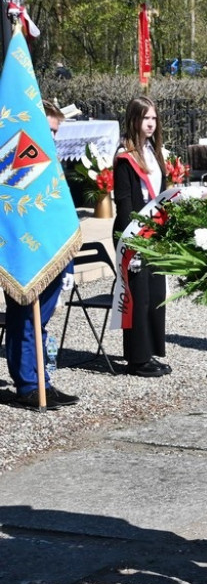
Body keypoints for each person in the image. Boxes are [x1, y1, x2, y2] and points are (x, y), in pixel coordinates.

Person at [4, 101, 79, 409]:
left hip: (49, 254)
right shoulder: (13, 162)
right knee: (24, 321)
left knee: (41, 322)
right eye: (47, 129)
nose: (52, 135)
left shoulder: (50, 165)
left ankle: (43, 382)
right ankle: (27, 385)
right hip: (24, 254)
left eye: (55, 131)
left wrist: (68, 263)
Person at [113, 96, 170, 378]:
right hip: (134, 233)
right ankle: (137, 359)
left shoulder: (154, 151)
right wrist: (130, 245)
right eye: (146, 118)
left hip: (155, 232)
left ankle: (150, 352)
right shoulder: (125, 157)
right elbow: (123, 204)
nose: (151, 123)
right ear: (134, 119)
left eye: (154, 118)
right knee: (140, 297)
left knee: (156, 294)